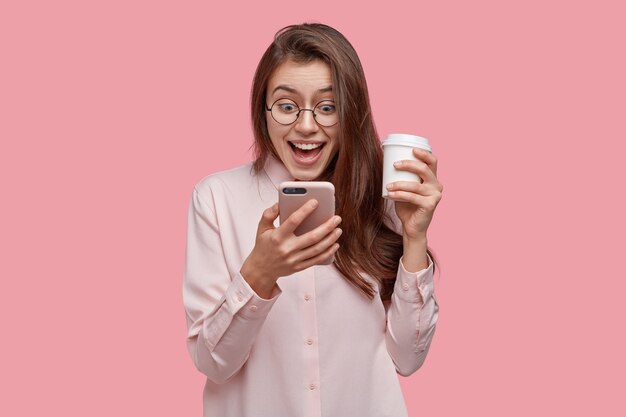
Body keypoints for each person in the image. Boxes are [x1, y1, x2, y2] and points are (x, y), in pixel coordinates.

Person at [183, 22, 442, 417]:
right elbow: (213, 362)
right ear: (263, 110)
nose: (306, 126)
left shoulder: (382, 197)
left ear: (350, 111)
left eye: (327, 107)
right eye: (287, 106)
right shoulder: (217, 198)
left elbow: (407, 359)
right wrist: (259, 274)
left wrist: (414, 236)